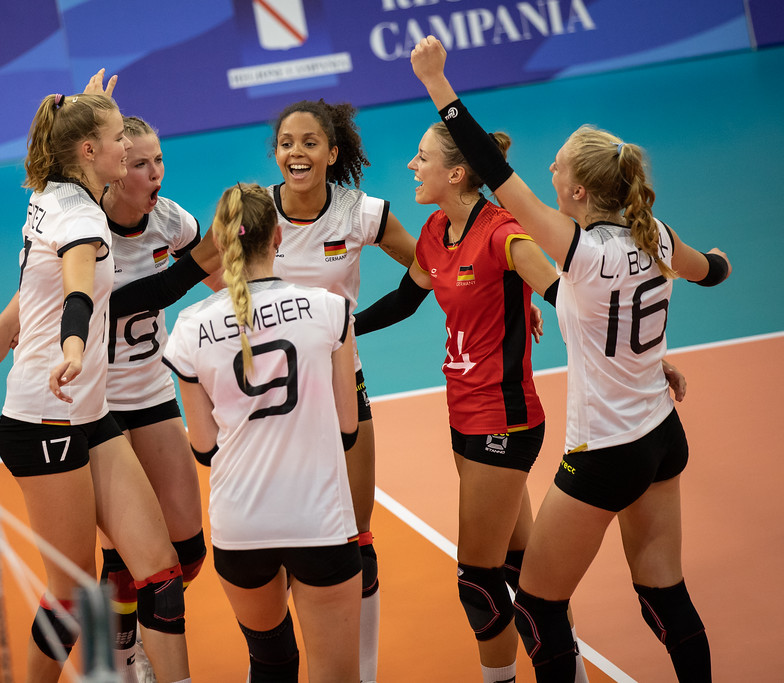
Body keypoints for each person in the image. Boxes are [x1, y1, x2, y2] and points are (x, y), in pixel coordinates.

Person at [410, 35, 730, 682]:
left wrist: (438, 84)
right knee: (664, 594)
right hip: (662, 434)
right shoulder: (657, 236)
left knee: (535, 606)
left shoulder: (579, 250)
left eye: (555, 167)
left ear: (579, 191)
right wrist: (715, 271)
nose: (547, 174)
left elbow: (491, 169)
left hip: (606, 450)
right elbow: (711, 271)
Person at [0, 110, 217, 681]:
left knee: (162, 574)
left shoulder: (52, 192)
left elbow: (23, 307)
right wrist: (74, 346)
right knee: (70, 595)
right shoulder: (83, 222)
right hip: (43, 423)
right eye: (120, 139)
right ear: (90, 151)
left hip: (91, 415)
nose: (130, 150)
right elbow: (79, 293)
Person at [351, 117, 586, 683]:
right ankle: (571, 671)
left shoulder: (504, 234)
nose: (412, 165)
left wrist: (638, 358)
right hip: (464, 414)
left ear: (456, 173)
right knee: (523, 569)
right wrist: (338, 328)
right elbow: (406, 299)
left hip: (504, 419)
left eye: (422, 156)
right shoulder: (436, 230)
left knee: (477, 580)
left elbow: (571, 298)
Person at [163, 183, 362, 682]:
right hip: (318, 519)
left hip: (241, 527)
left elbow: (203, 446)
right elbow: (348, 425)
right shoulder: (329, 308)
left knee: (272, 663)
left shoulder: (190, 327)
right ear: (278, 237)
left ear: (219, 242)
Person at [267, 99, 416, 682]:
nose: (296, 153)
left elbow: (432, 266)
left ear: (332, 153)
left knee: (358, 540)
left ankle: (364, 673)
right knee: (278, 550)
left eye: (309, 143)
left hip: (341, 387)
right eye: (286, 143)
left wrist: (357, 324)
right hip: (274, 403)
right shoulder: (255, 213)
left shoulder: (360, 213)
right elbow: (201, 272)